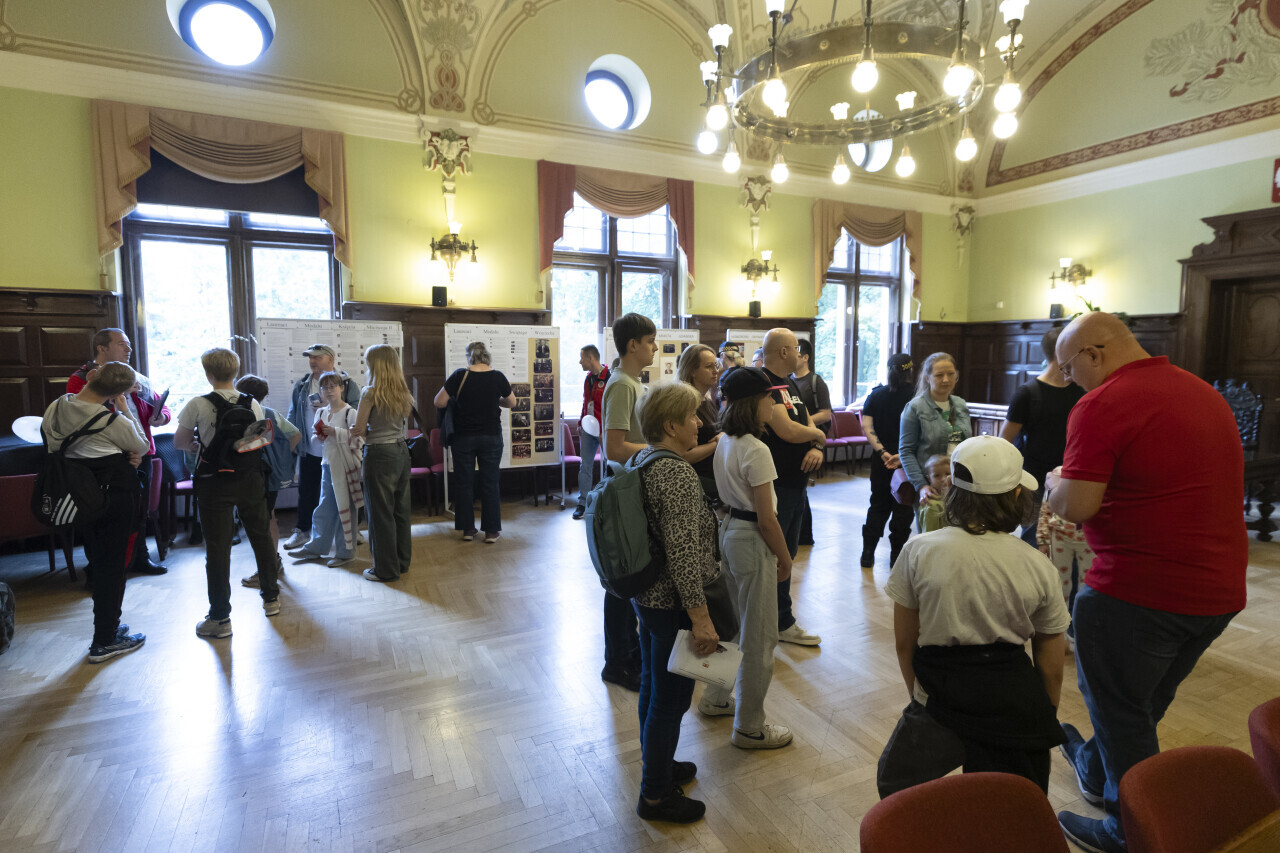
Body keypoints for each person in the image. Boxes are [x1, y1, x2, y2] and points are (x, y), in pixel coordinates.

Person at [1048, 312, 1248, 853]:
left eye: (1069, 369)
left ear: (1093, 354)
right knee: (1142, 698)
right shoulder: (1202, 391)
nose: (1070, 381)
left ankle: (1129, 830)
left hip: (1137, 590)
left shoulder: (1102, 403)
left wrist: (1054, 485)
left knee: (1122, 713)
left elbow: (1077, 507)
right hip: (1219, 589)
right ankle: (1095, 768)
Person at [877, 435, 1069, 798]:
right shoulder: (1038, 564)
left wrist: (921, 700)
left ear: (952, 488)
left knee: (897, 787)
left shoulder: (918, 550)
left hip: (938, 692)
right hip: (1013, 700)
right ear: (1017, 496)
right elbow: (1051, 660)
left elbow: (905, 643)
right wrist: (1042, 717)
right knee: (1014, 801)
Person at [630, 382, 722, 824]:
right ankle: (655, 796)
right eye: (691, 416)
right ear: (671, 425)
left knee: (652, 686)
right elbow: (683, 555)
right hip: (672, 604)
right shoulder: (678, 474)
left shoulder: (642, 460)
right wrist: (700, 618)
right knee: (671, 699)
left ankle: (659, 766)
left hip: (647, 598)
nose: (699, 422)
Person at [697, 367, 795, 749]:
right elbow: (767, 519)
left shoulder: (725, 441)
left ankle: (715, 698)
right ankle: (750, 727)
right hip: (752, 538)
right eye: (770, 397)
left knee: (734, 626)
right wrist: (785, 558)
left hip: (729, 531)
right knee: (760, 637)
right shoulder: (757, 449)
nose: (774, 403)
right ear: (755, 402)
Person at [42, 361, 150, 663]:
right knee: (113, 567)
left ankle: (108, 624)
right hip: (114, 497)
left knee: (98, 561)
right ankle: (104, 640)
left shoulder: (56, 407)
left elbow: (52, 446)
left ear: (92, 376)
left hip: (77, 494)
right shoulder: (112, 421)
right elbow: (141, 446)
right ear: (117, 393)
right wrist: (125, 410)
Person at [174, 348, 281, 638]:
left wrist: (197, 446)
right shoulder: (252, 402)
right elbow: (260, 438)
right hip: (249, 477)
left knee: (218, 549)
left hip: (213, 481)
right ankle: (271, 599)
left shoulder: (197, 403)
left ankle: (220, 618)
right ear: (235, 372)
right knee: (261, 538)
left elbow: (180, 442)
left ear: (208, 374)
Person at [67, 327, 170, 575]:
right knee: (99, 512)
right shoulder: (81, 378)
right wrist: (118, 395)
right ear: (102, 348)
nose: (129, 348)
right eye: (122, 344)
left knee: (139, 509)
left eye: (129, 344)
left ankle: (140, 558)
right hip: (104, 455)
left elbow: (161, 407)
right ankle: (99, 566)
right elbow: (78, 414)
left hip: (141, 451)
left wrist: (161, 418)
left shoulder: (136, 377)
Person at [600, 312, 659, 692]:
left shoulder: (632, 382)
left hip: (633, 489)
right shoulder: (622, 384)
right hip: (624, 492)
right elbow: (615, 447)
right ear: (632, 345)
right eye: (650, 341)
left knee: (631, 578)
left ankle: (628, 652)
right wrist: (659, 449)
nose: (655, 347)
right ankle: (617, 662)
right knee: (622, 581)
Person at [759, 328, 826, 646]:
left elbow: (806, 421)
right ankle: (774, 622)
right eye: (796, 348)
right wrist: (820, 436)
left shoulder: (791, 383)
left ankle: (780, 619)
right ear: (784, 351)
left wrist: (817, 446)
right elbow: (786, 430)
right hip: (777, 484)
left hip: (797, 484)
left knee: (789, 552)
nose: (800, 354)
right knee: (776, 555)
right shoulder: (763, 383)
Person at [1001, 327, 1085, 547]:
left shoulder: (1082, 391)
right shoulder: (1027, 394)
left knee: (1070, 541)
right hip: (1034, 481)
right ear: (1061, 352)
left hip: (1071, 479)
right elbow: (1004, 441)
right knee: (1034, 540)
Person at [434, 341, 514, 544]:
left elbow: (439, 401)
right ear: (486, 356)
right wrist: (496, 401)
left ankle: (468, 530)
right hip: (491, 437)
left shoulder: (460, 375)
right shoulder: (497, 376)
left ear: (469, 356)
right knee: (490, 482)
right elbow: (512, 402)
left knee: (464, 483)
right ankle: (491, 532)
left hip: (463, 438)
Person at [283, 343, 361, 550]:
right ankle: (302, 531)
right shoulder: (302, 384)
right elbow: (293, 413)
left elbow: (357, 412)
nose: (312, 361)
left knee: (345, 490)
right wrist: (291, 442)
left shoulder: (347, 383)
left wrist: (330, 406)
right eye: (310, 357)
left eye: (317, 357)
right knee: (307, 491)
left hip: (339, 449)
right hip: (310, 448)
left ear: (331, 359)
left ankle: (352, 531)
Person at [353, 344, 415, 582]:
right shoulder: (403, 391)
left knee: (380, 513)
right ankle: (402, 562)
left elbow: (360, 429)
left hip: (378, 453)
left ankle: (385, 570)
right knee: (401, 510)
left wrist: (356, 429)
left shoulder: (370, 392)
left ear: (375, 365)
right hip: (401, 450)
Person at [233, 374, 301, 589]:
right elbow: (295, 435)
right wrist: (282, 458)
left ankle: (268, 567)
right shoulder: (271, 413)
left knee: (261, 521)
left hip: (256, 474)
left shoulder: (241, 414)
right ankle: (272, 562)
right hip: (270, 475)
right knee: (269, 517)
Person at [294, 371, 364, 566]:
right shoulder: (321, 412)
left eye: (333, 386)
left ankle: (345, 552)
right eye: (324, 387)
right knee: (324, 507)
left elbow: (359, 441)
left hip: (346, 467)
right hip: (327, 464)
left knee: (345, 508)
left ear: (341, 388)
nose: (329, 390)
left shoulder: (350, 413)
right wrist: (320, 436)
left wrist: (335, 432)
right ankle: (316, 547)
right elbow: (316, 437)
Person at [899, 352, 971, 524]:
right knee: (933, 533)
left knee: (959, 533)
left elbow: (967, 443)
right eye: (939, 375)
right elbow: (906, 451)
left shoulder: (960, 404)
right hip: (932, 485)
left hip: (960, 483)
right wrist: (921, 485)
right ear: (927, 377)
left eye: (950, 374)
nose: (946, 379)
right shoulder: (915, 407)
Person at [860, 354, 916, 568]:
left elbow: (867, 426)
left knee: (877, 505)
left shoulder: (876, 395)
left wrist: (882, 451)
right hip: (907, 461)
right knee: (903, 509)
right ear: (911, 371)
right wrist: (901, 455)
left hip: (881, 461)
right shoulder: (918, 397)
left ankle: (867, 554)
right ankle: (896, 558)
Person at [1035, 493, 1092, 654]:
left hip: (1089, 538)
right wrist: (1043, 540)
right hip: (1060, 536)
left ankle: (1080, 634)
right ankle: (1060, 634)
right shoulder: (1056, 480)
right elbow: (1045, 509)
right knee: (1059, 587)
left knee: (1087, 588)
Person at [791, 338, 832, 547]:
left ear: (805, 357)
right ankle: (801, 535)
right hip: (793, 439)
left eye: (796, 354)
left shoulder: (816, 382)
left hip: (809, 440)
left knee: (800, 489)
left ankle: (805, 536)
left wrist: (802, 425)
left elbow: (825, 414)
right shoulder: (788, 381)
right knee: (798, 488)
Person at [676, 344, 722, 501]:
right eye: (709, 367)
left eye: (715, 365)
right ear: (692, 370)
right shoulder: (683, 403)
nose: (715, 371)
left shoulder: (706, 401)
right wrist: (717, 443)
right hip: (695, 484)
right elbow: (683, 454)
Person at [573, 345, 610, 520]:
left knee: (610, 465)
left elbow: (612, 407)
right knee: (585, 466)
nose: (580, 362)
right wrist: (581, 422)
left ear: (590, 358)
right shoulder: (588, 378)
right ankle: (582, 503)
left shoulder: (610, 377)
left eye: (582, 358)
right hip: (589, 429)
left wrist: (604, 430)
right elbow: (586, 403)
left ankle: (606, 501)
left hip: (605, 430)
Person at [916, 454, 950, 533]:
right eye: (937, 475)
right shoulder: (931, 506)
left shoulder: (953, 497)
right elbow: (929, 535)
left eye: (947, 474)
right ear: (929, 479)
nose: (943, 479)